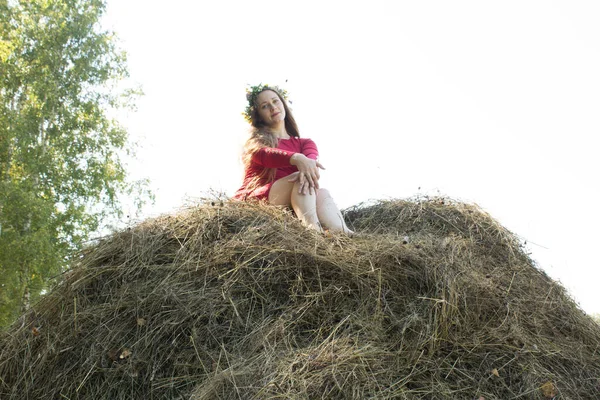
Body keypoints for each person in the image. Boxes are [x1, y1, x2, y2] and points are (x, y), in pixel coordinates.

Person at [233, 84, 353, 234]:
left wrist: (306, 162)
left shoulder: (305, 143)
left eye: (275, 101)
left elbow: (311, 162)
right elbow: (263, 154)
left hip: (295, 200)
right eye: (265, 106)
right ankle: (313, 231)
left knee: (322, 192)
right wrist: (296, 158)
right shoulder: (255, 140)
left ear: (283, 103)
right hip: (257, 200)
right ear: (258, 115)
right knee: (299, 178)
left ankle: (344, 233)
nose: (272, 107)